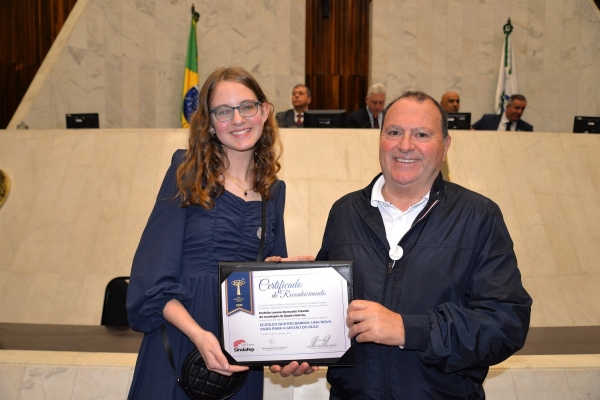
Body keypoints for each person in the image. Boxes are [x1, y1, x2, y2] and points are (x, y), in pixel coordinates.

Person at [309, 91, 532, 399]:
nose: (405, 145)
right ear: (380, 139)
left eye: (422, 134)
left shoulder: (479, 216)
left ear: (446, 146)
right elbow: (328, 316)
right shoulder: (344, 211)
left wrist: (408, 329)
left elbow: (506, 324)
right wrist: (297, 334)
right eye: (394, 132)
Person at [127, 67, 315, 400]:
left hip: (239, 354)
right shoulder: (185, 172)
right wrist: (199, 335)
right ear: (210, 123)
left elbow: (270, 287)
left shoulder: (274, 191)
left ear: (264, 111)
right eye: (224, 111)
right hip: (182, 344)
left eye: (247, 106)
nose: (238, 119)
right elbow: (152, 279)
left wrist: (291, 344)